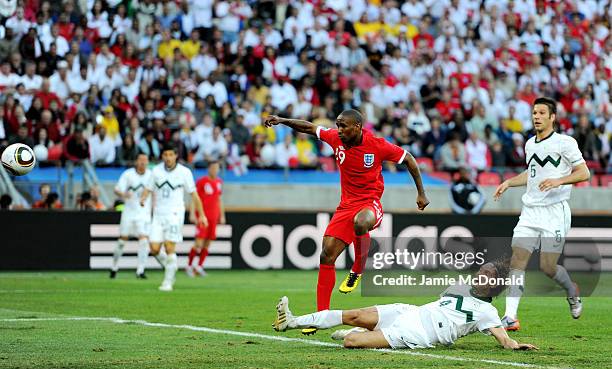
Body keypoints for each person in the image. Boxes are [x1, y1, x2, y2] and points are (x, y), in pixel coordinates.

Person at [264, 109, 429, 335]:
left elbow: (408, 159)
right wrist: (282, 120)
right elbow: (309, 127)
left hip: (370, 203)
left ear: (358, 127)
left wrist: (421, 193)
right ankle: (320, 316)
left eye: (344, 126)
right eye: (337, 125)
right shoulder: (335, 139)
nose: (339, 130)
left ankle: (357, 269)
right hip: (345, 206)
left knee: (361, 223)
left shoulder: (377, 145)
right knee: (326, 255)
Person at [273, 262, 538, 351]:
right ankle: (292, 321)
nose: (481, 273)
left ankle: (365, 336)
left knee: (351, 342)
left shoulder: (488, 312)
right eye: (482, 269)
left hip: (419, 333)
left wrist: (516, 346)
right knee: (352, 314)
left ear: (494, 286)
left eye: (488, 274)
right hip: (410, 311)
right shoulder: (458, 285)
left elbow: (503, 339)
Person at [494, 97, 590, 330]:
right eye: (534, 112)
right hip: (530, 211)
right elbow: (532, 173)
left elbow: (584, 173)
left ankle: (571, 290)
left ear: (552, 117)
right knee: (518, 260)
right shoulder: (530, 144)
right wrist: (509, 182)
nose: (536, 116)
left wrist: (559, 180)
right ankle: (510, 317)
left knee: (548, 267)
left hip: (555, 213)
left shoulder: (564, 143)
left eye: (541, 113)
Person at [140, 143, 207, 291]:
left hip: (175, 214)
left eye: (171, 155)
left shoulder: (184, 172)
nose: (168, 158)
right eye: (166, 155)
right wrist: (143, 198)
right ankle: (172, 265)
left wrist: (201, 215)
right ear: (162, 156)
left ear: (176, 155)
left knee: (169, 246)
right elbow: (148, 188)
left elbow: (194, 195)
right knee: (154, 249)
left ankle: (168, 282)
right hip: (158, 214)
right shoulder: (156, 171)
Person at [110, 153, 152, 279]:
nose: (143, 162)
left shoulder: (151, 175)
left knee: (144, 241)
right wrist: (124, 194)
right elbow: (117, 189)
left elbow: (155, 192)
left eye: (145, 160)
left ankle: (140, 270)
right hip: (129, 212)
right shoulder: (128, 174)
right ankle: (114, 266)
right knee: (122, 241)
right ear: (136, 161)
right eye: (140, 160)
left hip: (144, 213)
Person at [187, 160, 225, 276]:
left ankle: (199, 266)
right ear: (209, 169)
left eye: (217, 168)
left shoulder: (219, 182)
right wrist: (192, 213)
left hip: (214, 217)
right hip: (202, 217)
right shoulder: (202, 181)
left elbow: (219, 199)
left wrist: (222, 215)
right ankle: (189, 266)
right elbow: (195, 197)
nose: (215, 170)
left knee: (208, 242)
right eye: (213, 168)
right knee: (198, 243)